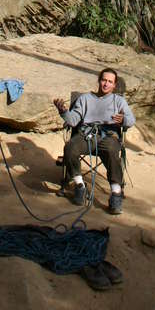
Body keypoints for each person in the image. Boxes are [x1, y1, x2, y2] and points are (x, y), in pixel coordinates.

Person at [53, 67, 135, 215]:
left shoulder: (119, 101)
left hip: (108, 136)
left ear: (114, 85)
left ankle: (116, 193)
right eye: (104, 80)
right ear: (99, 81)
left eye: (110, 82)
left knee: (112, 150)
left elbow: (131, 120)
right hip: (86, 135)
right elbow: (73, 120)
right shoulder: (85, 99)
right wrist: (64, 112)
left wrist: (123, 120)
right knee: (70, 147)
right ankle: (79, 185)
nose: (106, 84)